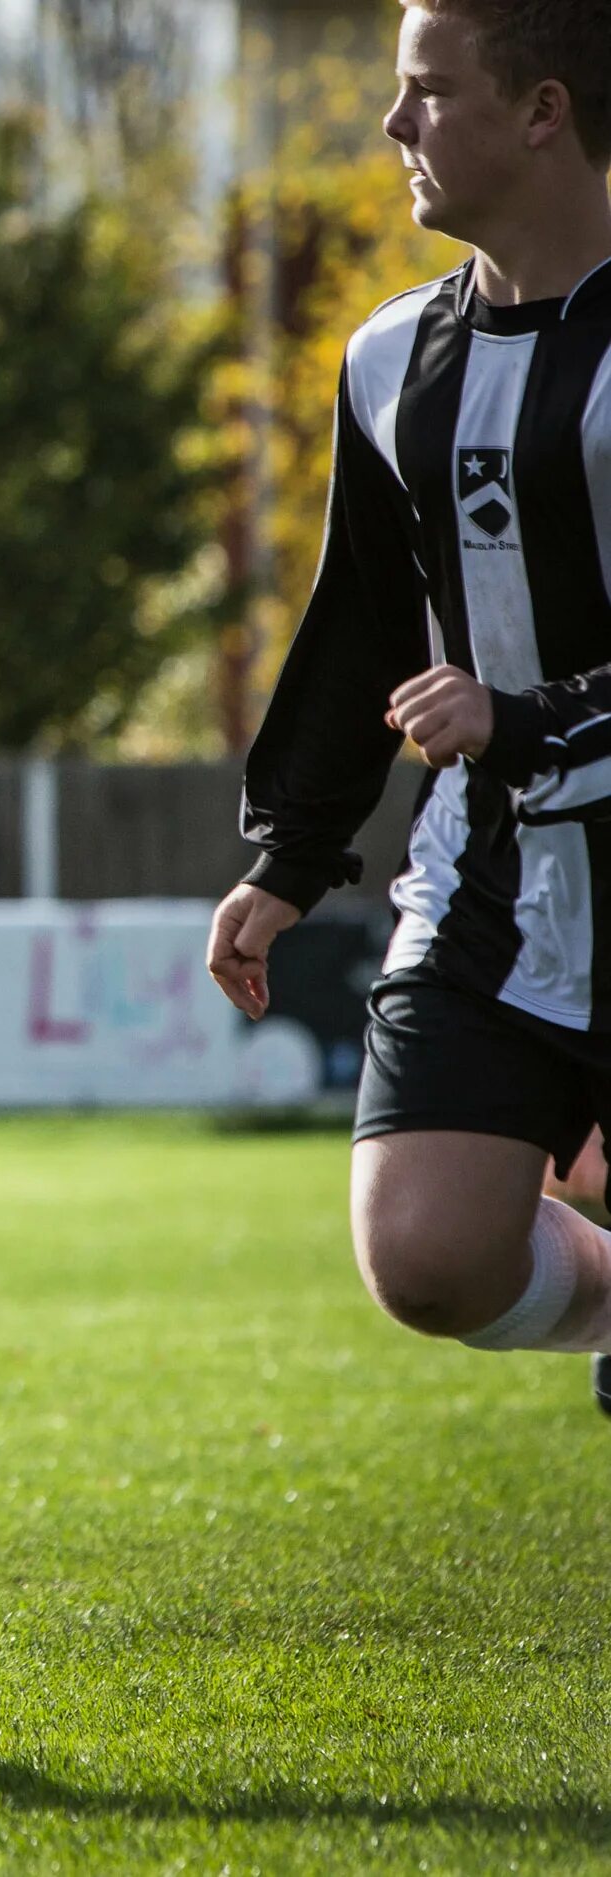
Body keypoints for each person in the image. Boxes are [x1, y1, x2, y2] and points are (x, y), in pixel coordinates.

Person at [210, 2, 611, 1412]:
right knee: (426, 1257)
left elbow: (506, 700)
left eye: (427, 93)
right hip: (496, 872)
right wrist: (291, 856)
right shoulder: (392, 358)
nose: (395, 128)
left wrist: (533, 720)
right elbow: (363, 622)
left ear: (544, 111)